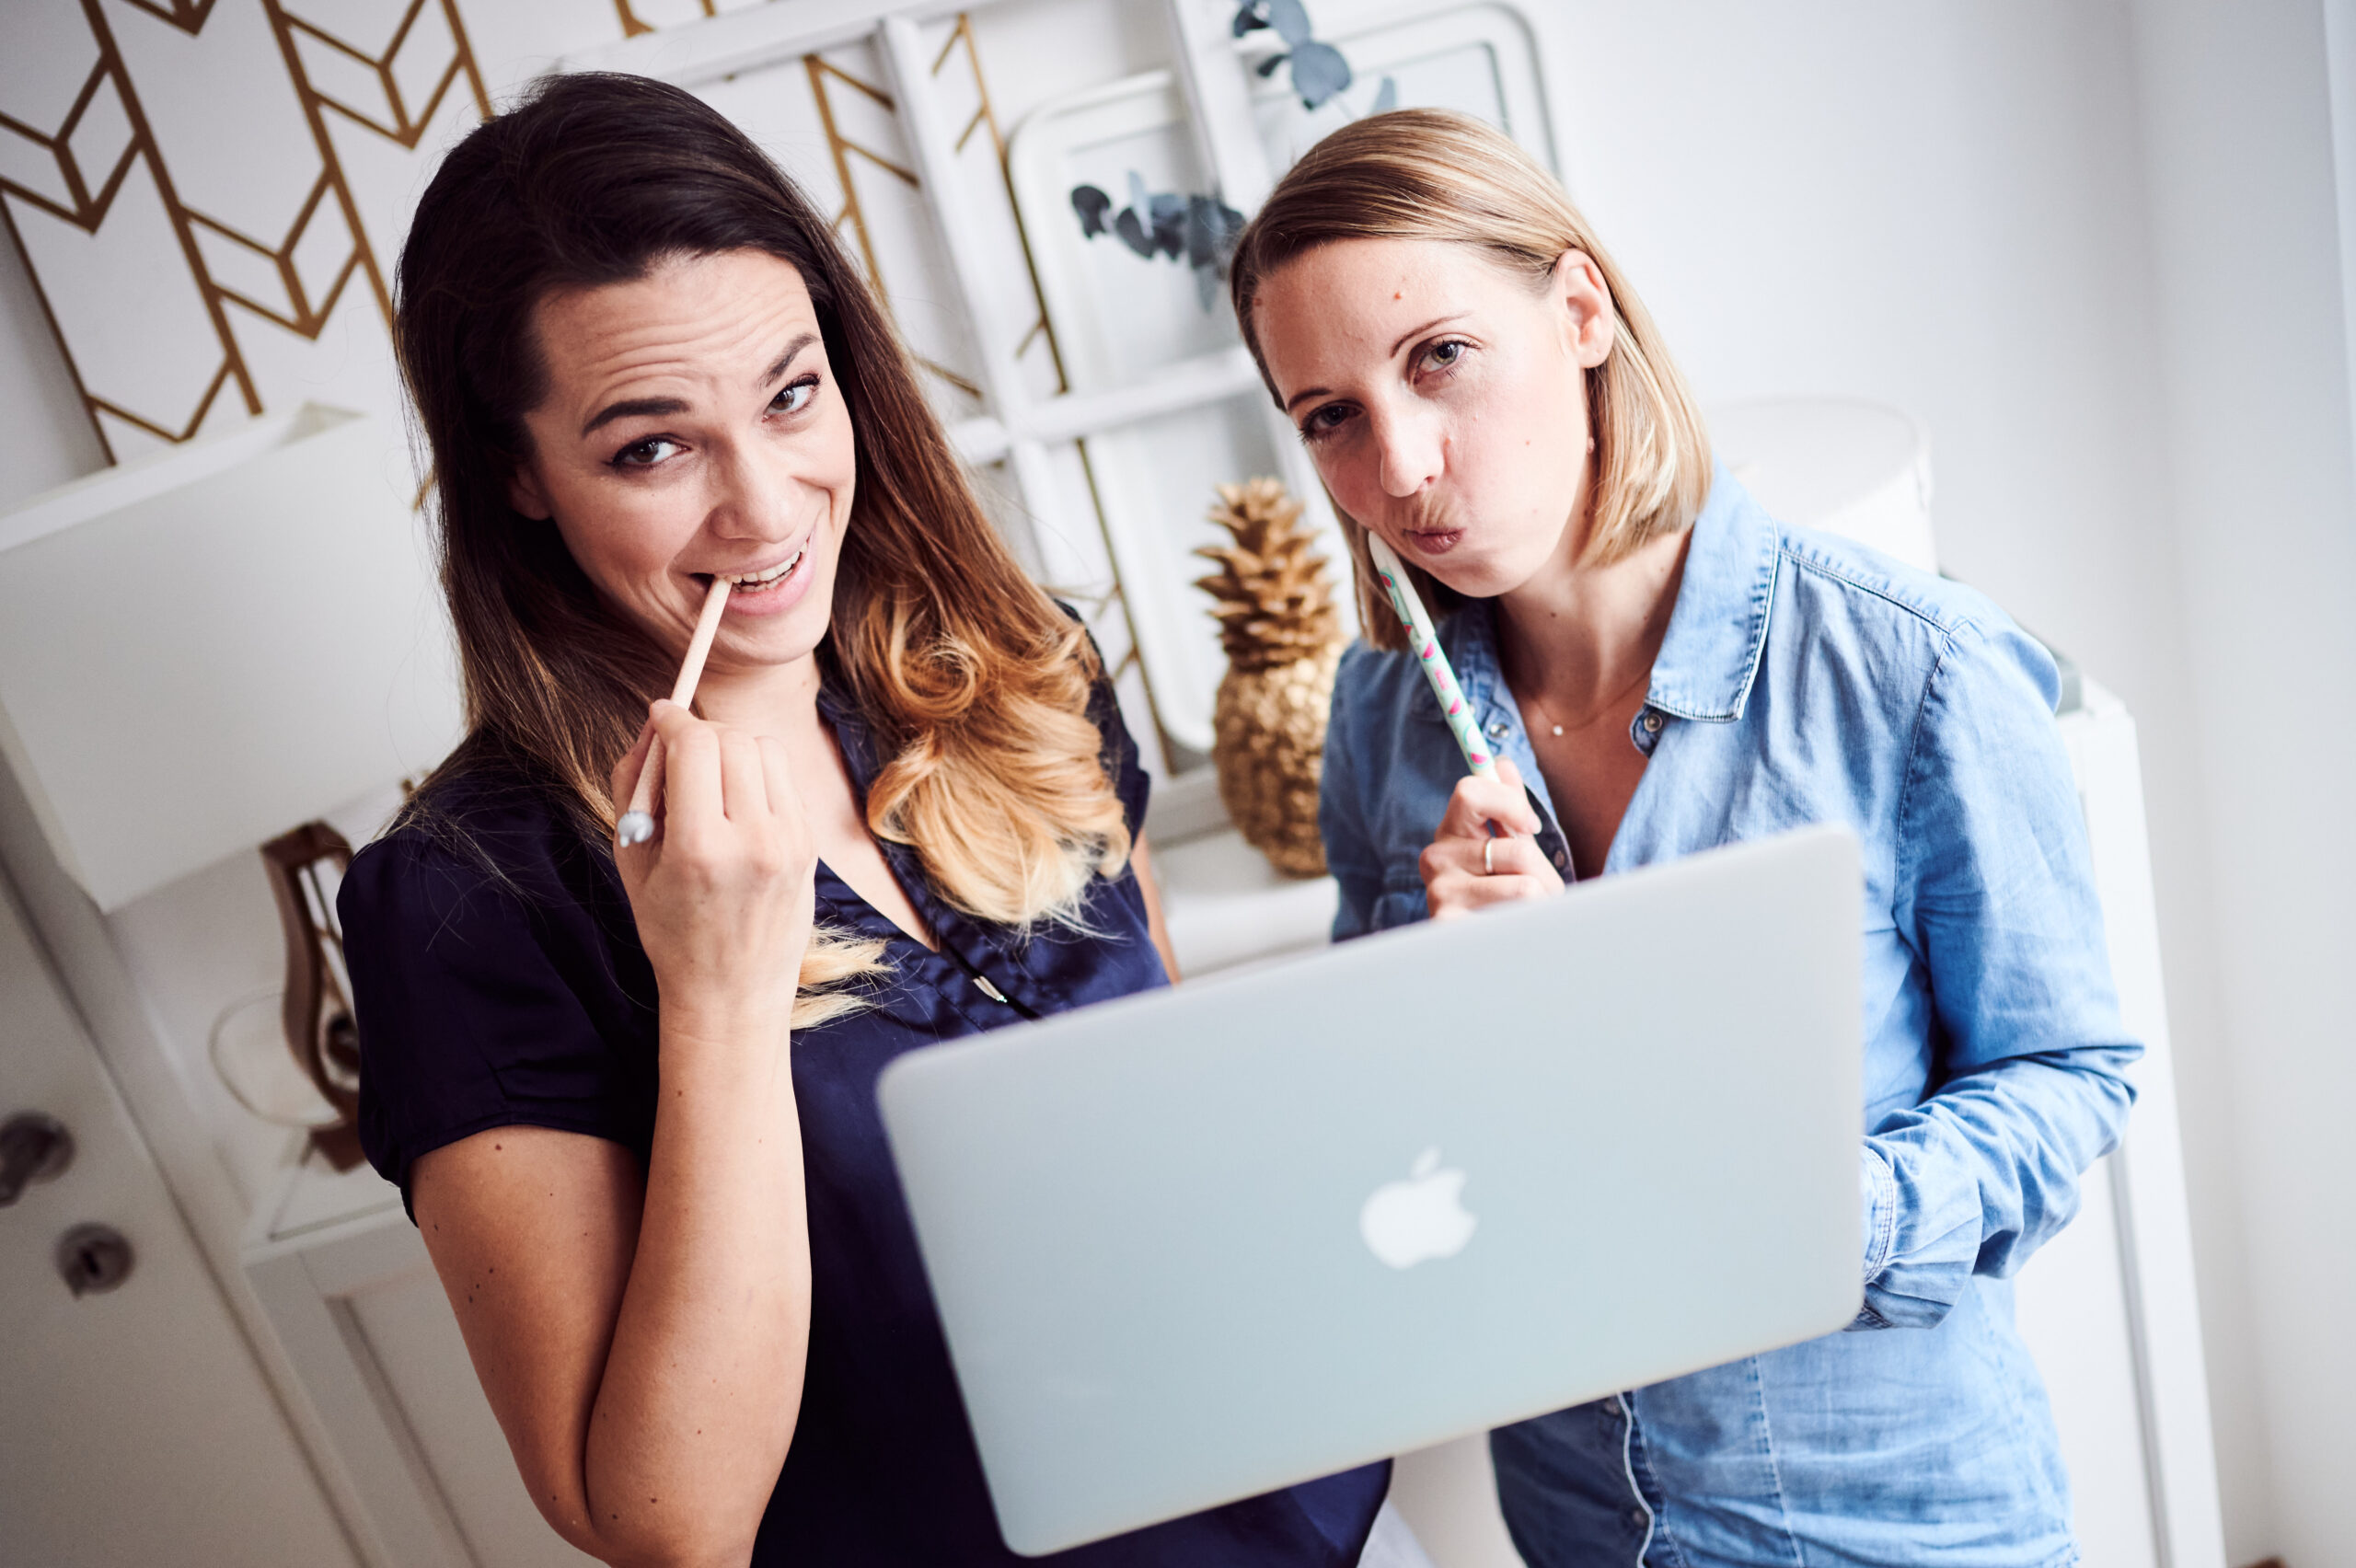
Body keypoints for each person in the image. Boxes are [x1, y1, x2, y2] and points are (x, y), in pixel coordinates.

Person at [339, 72, 1388, 1568]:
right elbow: (667, 1522)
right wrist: (715, 996)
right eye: (652, 447)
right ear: (519, 475)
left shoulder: (1016, 677)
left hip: (1326, 1522)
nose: (765, 509)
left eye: (790, 394)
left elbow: (1168, 1136)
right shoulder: (465, 902)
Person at [1229, 110, 2138, 1568]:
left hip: (1898, 1523)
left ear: (1580, 312)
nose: (1399, 470)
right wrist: (1438, 1027)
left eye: (1438, 357)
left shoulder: (1919, 670)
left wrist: (1829, 1210)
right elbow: (1401, 1148)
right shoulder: (1379, 722)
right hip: (1583, 1525)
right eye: (1329, 413)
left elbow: (2073, 1073)